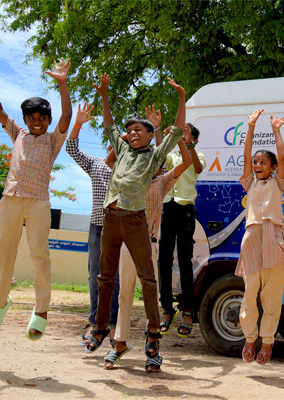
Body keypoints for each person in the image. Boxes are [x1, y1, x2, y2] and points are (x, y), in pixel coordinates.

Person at [84, 73, 185, 374]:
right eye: (129, 130)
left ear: (150, 135)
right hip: (110, 220)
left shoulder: (154, 157)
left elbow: (178, 130)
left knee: (148, 280)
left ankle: (153, 336)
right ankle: (101, 327)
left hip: (136, 222)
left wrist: (181, 97)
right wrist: (104, 93)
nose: (131, 133)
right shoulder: (123, 148)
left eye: (138, 129)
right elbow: (108, 124)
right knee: (105, 277)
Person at [0, 54, 72, 340]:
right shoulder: (17, 134)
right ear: (26, 119)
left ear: (48, 120)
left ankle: (41, 309)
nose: (37, 122)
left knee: (39, 255)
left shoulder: (53, 140)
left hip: (38, 202)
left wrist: (63, 84)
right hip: (11, 198)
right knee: (2, 252)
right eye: (32, 118)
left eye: (42, 117)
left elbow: (66, 117)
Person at [104, 123, 192, 370]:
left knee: (149, 297)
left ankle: (152, 348)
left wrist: (180, 139)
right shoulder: (127, 174)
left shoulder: (161, 183)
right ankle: (119, 343)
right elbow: (110, 159)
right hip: (125, 245)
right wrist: (127, 135)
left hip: (148, 245)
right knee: (124, 295)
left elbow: (185, 164)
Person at [236, 110, 284, 365]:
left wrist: (276, 131)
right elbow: (246, 153)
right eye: (256, 163)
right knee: (250, 294)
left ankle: (267, 341)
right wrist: (251, 126)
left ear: (273, 168)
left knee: (272, 296)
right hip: (252, 237)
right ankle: (250, 337)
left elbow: (282, 155)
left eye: (262, 163)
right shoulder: (251, 183)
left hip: (273, 238)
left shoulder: (278, 183)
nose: (257, 166)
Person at [65, 102, 120, 346]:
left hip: (120, 230)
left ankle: (114, 322)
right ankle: (94, 321)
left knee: (115, 277)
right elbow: (71, 148)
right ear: (109, 146)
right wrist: (77, 123)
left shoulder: (132, 170)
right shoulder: (96, 164)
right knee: (94, 276)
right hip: (97, 227)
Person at [157, 121, 206, 337]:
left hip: (185, 209)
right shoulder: (173, 157)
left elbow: (196, 168)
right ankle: (167, 309)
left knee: (185, 261)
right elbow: (159, 155)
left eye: (186, 133)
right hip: (168, 207)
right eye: (181, 132)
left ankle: (187, 309)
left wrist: (184, 142)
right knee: (164, 260)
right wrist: (159, 130)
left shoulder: (198, 154)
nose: (182, 135)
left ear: (194, 139)